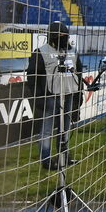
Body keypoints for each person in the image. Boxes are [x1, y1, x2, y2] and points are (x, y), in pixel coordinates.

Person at [26, 21, 85, 170]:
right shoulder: (40, 52)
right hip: (50, 97)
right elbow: (32, 76)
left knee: (65, 128)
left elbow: (78, 73)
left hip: (69, 94)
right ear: (51, 36)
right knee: (46, 129)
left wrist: (79, 95)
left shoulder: (73, 51)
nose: (62, 38)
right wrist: (38, 97)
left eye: (65, 35)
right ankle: (46, 160)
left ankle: (64, 156)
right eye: (59, 35)